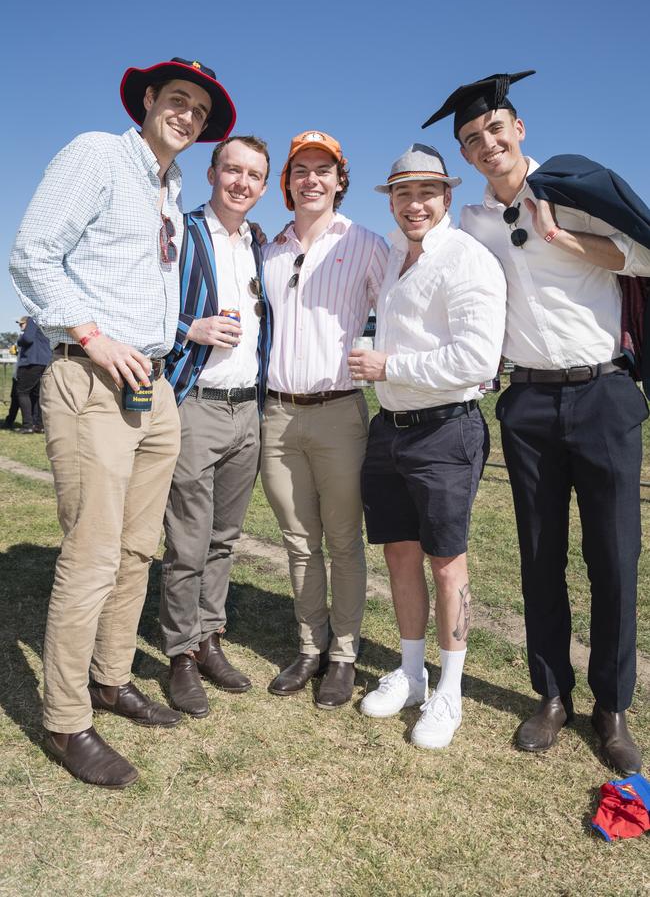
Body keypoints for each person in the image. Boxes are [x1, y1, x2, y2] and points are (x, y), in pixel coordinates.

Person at [10, 57, 236, 788]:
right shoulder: (98, 154)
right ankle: (67, 718)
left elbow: (142, 286)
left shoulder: (168, 190)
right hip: (92, 372)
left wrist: (171, 335)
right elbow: (32, 253)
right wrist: (90, 332)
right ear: (147, 101)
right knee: (93, 550)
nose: (188, 116)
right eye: (177, 100)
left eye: (199, 111)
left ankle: (111, 678)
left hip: (154, 384)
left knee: (140, 547)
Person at [422, 71, 650, 773]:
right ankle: (552, 695)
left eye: (495, 129)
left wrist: (567, 238)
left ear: (518, 129)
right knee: (540, 556)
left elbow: (644, 256)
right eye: (471, 139)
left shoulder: (574, 188)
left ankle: (611, 709)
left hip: (604, 393)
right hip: (527, 403)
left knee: (613, 558)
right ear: (465, 156)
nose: (487, 143)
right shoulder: (472, 225)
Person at [348, 144, 506, 748]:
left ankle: (451, 690)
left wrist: (390, 364)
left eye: (426, 192)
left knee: (447, 561)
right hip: (391, 427)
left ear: (446, 196)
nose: (414, 204)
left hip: (446, 427)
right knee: (399, 554)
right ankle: (412, 675)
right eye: (402, 193)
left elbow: (477, 359)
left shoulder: (466, 258)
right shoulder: (391, 255)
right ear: (391, 199)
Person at [261, 130, 388, 709]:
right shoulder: (269, 249)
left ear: (340, 180)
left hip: (338, 411)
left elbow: (401, 306)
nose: (311, 179)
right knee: (297, 540)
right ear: (287, 183)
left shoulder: (365, 242)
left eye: (323, 170)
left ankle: (343, 655)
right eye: (300, 170)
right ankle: (309, 648)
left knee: (342, 541)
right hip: (277, 415)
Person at [161, 135, 270, 717]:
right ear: (212, 172)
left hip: (246, 408)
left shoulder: (259, 242)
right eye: (233, 170)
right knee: (187, 540)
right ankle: (179, 652)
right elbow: (145, 300)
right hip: (196, 402)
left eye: (254, 175)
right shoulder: (181, 231)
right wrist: (189, 330)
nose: (242, 183)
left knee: (225, 537)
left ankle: (209, 639)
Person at [14, 314, 51, 433]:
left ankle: (27, 425)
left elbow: (27, 339)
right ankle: (39, 425)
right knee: (37, 394)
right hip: (44, 362)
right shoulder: (46, 321)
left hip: (31, 362)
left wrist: (19, 340)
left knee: (23, 392)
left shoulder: (33, 319)